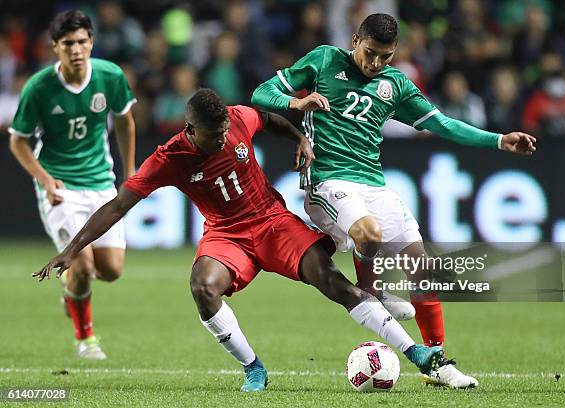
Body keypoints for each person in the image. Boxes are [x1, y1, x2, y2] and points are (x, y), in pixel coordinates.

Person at [35, 88, 456, 392]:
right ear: (189, 130)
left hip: (272, 222)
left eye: (223, 134)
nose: (220, 140)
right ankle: (253, 368)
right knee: (202, 286)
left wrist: (300, 139)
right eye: (211, 136)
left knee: (331, 281)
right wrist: (71, 251)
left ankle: (415, 352)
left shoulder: (236, 119)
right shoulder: (168, 159)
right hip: (226, 234)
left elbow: (268, 117)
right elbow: (117, 206)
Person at [252, 13, 536, 388]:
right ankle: (373, 291)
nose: (375, 63)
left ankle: (439, 362)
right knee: (368, 233)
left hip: (374, 184)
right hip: (328, 181)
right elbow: (261, 94)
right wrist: (296, 103)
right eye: (370, 53)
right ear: (355, 40)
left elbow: (444, 124)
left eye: (384, 57)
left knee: (422, 269)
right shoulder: (323, 60)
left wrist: (499, 140)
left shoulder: (396, 84)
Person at [9, 10, 137, 360]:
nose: (77, 49)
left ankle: (71, 294)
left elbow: (125, 121)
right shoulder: (39, 87)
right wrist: (46, 180)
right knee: (80, 266)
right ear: (55, 48)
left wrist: (130, 173)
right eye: (68, 44)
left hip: (101, 182)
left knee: (110, 270)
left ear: (92, 43)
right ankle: (86, 339)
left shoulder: (110, 76)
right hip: (60, 187)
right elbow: (18, 141)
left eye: (82, 42)